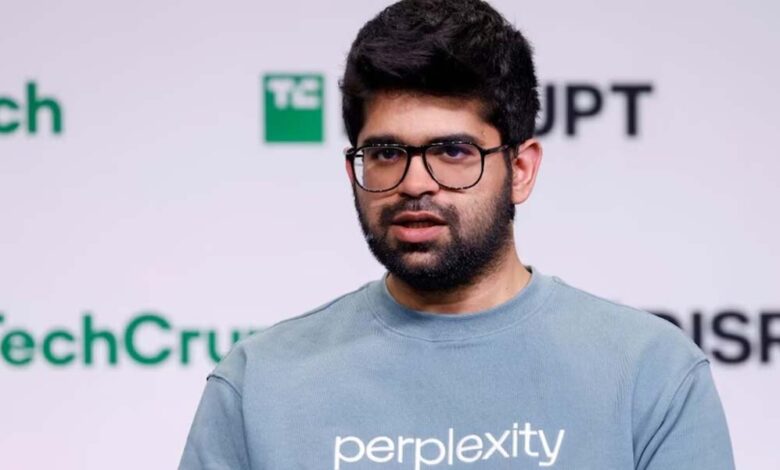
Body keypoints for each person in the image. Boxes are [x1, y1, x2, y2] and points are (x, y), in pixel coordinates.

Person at [179, 0, 735, 468]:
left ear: (521, 170)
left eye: (452, 151)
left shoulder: (648, 373)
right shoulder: (261, 384)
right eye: (386, 152)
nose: (414, 183)